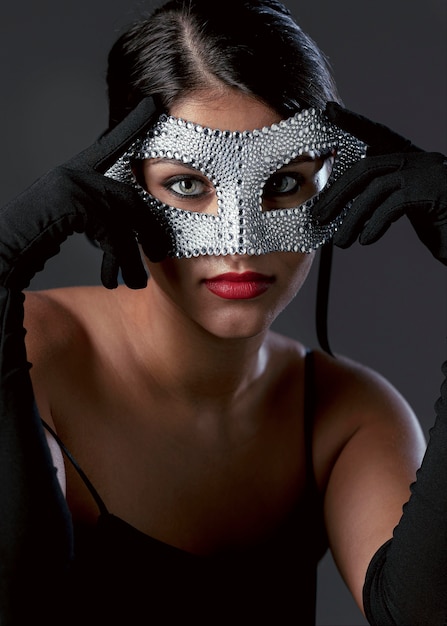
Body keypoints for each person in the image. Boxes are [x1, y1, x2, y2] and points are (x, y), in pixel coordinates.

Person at [0, 0, 445, 624]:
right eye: (187, 185)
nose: (239, 242)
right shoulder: (30, 353)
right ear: (117, 180)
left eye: (284, 183)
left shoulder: (348, 418)